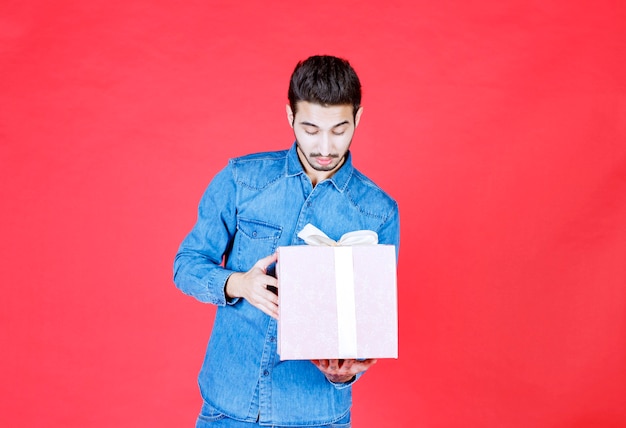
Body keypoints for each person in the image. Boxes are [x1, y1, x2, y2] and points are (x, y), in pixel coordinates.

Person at [173, 55, 400, 428]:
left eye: (339, 130)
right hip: (228, 406)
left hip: (316, 413)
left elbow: (368, 324)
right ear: (290, 116)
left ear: (357, 119)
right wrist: (237, 283)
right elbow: (186, 264)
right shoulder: (241, 180)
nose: (325, 146)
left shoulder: (379, 213)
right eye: (311, 129)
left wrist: (343, 373)